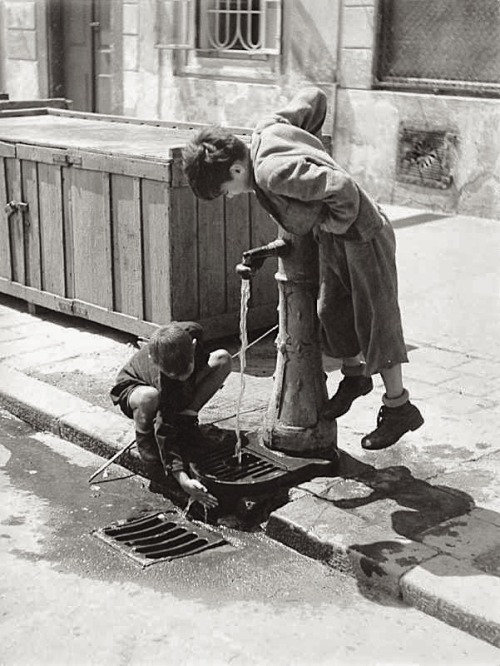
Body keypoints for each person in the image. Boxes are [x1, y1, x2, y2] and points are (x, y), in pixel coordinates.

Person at [182, 87, 423, 451]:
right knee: (331, 310)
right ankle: (355, 379)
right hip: (338, 237)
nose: (230, 197)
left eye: (225, 191)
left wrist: (334, 221)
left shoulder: (270, 173)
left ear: (235, 169)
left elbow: (341, 188)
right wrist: (311, 150)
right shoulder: (266, 129)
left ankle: (399, 407)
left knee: (377, 321)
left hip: (364, 232)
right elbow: (314, 98)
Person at [110, 321, 231, 507]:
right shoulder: (162, 382)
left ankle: (187, 417)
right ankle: (148, 451)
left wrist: (186, 393)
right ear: (154, 361)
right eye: (175, 375)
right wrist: (181, 478)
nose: (181, 377)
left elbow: (195, 364)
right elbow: (164, 428)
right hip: (136, 390)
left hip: (175, 386)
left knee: (223, 359)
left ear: (193, 345)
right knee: (150, 398)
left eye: (187, 370)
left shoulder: (194, 332)